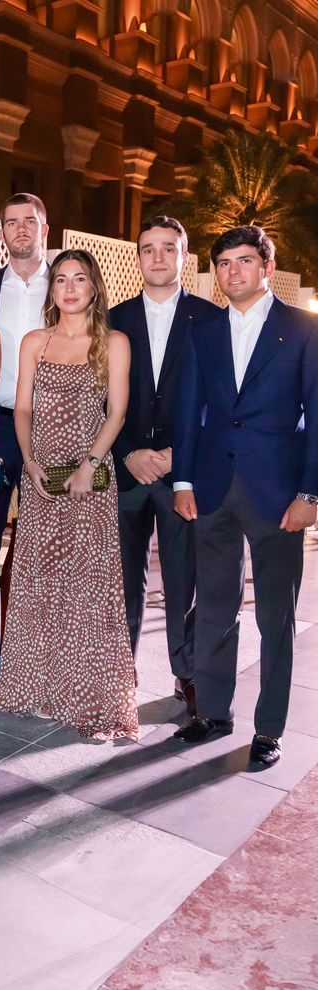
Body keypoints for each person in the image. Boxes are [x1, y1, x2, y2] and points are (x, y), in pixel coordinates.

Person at [173, 225, 318, 768]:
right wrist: (183, 480)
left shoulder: (302, 329)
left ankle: (269, 728)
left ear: (265, 266)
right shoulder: (203, 332)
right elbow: (188, 411)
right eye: (224, 263)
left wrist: (311, 493)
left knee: (275, 616)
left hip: (278, 493)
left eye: (244, 261)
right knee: (213, 606)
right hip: (211, 489)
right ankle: (212, 712)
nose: (233, 271)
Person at [0, 249, 138, 739]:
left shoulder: (113, 342)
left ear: (94, 287)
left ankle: (90, 697)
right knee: (38, 579)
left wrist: (90, 464)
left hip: (90, 475)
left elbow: (116, 412)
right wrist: (30, 461)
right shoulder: (35, 341)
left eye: (79, 279)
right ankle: (38, 686)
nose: (70, 288)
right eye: (60, 280)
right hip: (41, 476)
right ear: (51, 290)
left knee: (89, 585)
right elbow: (23, 410)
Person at [109, 216, 219, 717]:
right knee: (124, 579)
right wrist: (127, 451)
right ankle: (120, 673)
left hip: (182, 473)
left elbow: (219, 400)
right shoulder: (113, 319)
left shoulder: (209, 318)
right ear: (137, 258)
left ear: (183, 257)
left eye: (168, 248)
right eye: (148, 248)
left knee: (183, 578)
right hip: (127, 469)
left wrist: (181, 454)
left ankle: (187, 672)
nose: (157, 257)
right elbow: (97, 397)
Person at [0, 193, 51, 546]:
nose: (21, 229)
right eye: (11, 222)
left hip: (52, 426)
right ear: (2, 231)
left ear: (44, 229)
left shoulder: (68, 289)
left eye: (29, 221)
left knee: (45, 540)